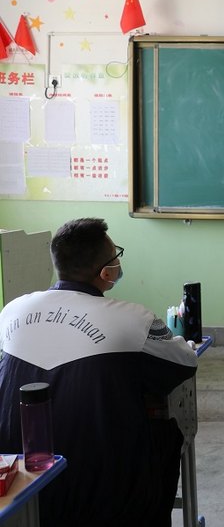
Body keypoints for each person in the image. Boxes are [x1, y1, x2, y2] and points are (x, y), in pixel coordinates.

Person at [0, 218, 198, 527]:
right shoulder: (133, 319)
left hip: (21, 484)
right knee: (167, 434)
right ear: (107, 273)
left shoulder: (12, 310)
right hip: (104, 493)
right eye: (116, 256)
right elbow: (184, 363)